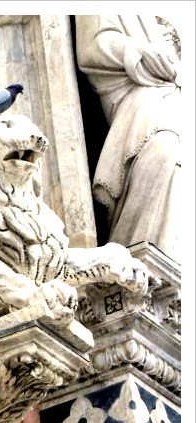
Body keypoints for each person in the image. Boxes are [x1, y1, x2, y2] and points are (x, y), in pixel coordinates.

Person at [76, 16, 182, 257]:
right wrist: (141, 51)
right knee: (165, 151)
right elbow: (92, 49)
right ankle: (136, 258)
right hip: (140, 98)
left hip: (173, 95)